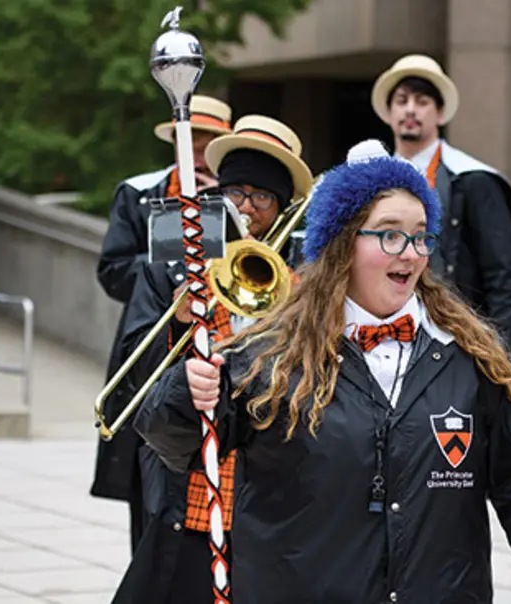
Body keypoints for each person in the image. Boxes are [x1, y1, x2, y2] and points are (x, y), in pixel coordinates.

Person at [133, 138, 511, 603]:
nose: (411, 252)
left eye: (421, 236)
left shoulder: (470, 357)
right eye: (390, 234)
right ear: (342, 244)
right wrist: (184, 390)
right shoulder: (270, 355)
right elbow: (173, 440)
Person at [110, 115, 313, 604]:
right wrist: (179, 321)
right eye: (236, 192)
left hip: (269, 493)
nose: (246, 209)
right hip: (190, 488)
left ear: (282, 207)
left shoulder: (303, 280)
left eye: (261, 197)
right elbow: (136, 371)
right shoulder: (177, 261)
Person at [91, 95, 233, 556]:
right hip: (156, 344)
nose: (196, 151)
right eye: (188, 140)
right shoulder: (138, 192)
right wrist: (171, 262)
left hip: (221, 359)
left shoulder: (236, 200)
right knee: (149, 484)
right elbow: (113, 271)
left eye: (207, 142)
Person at [371, 54, 511, 363]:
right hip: (384, 340)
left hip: (458, 340)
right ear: (389, 114)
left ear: (441, 113)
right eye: (401, 101)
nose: (411, 109)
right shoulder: (371, 182)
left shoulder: (475, 180)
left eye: (422, 101)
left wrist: (503, 359)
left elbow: (505, 279)